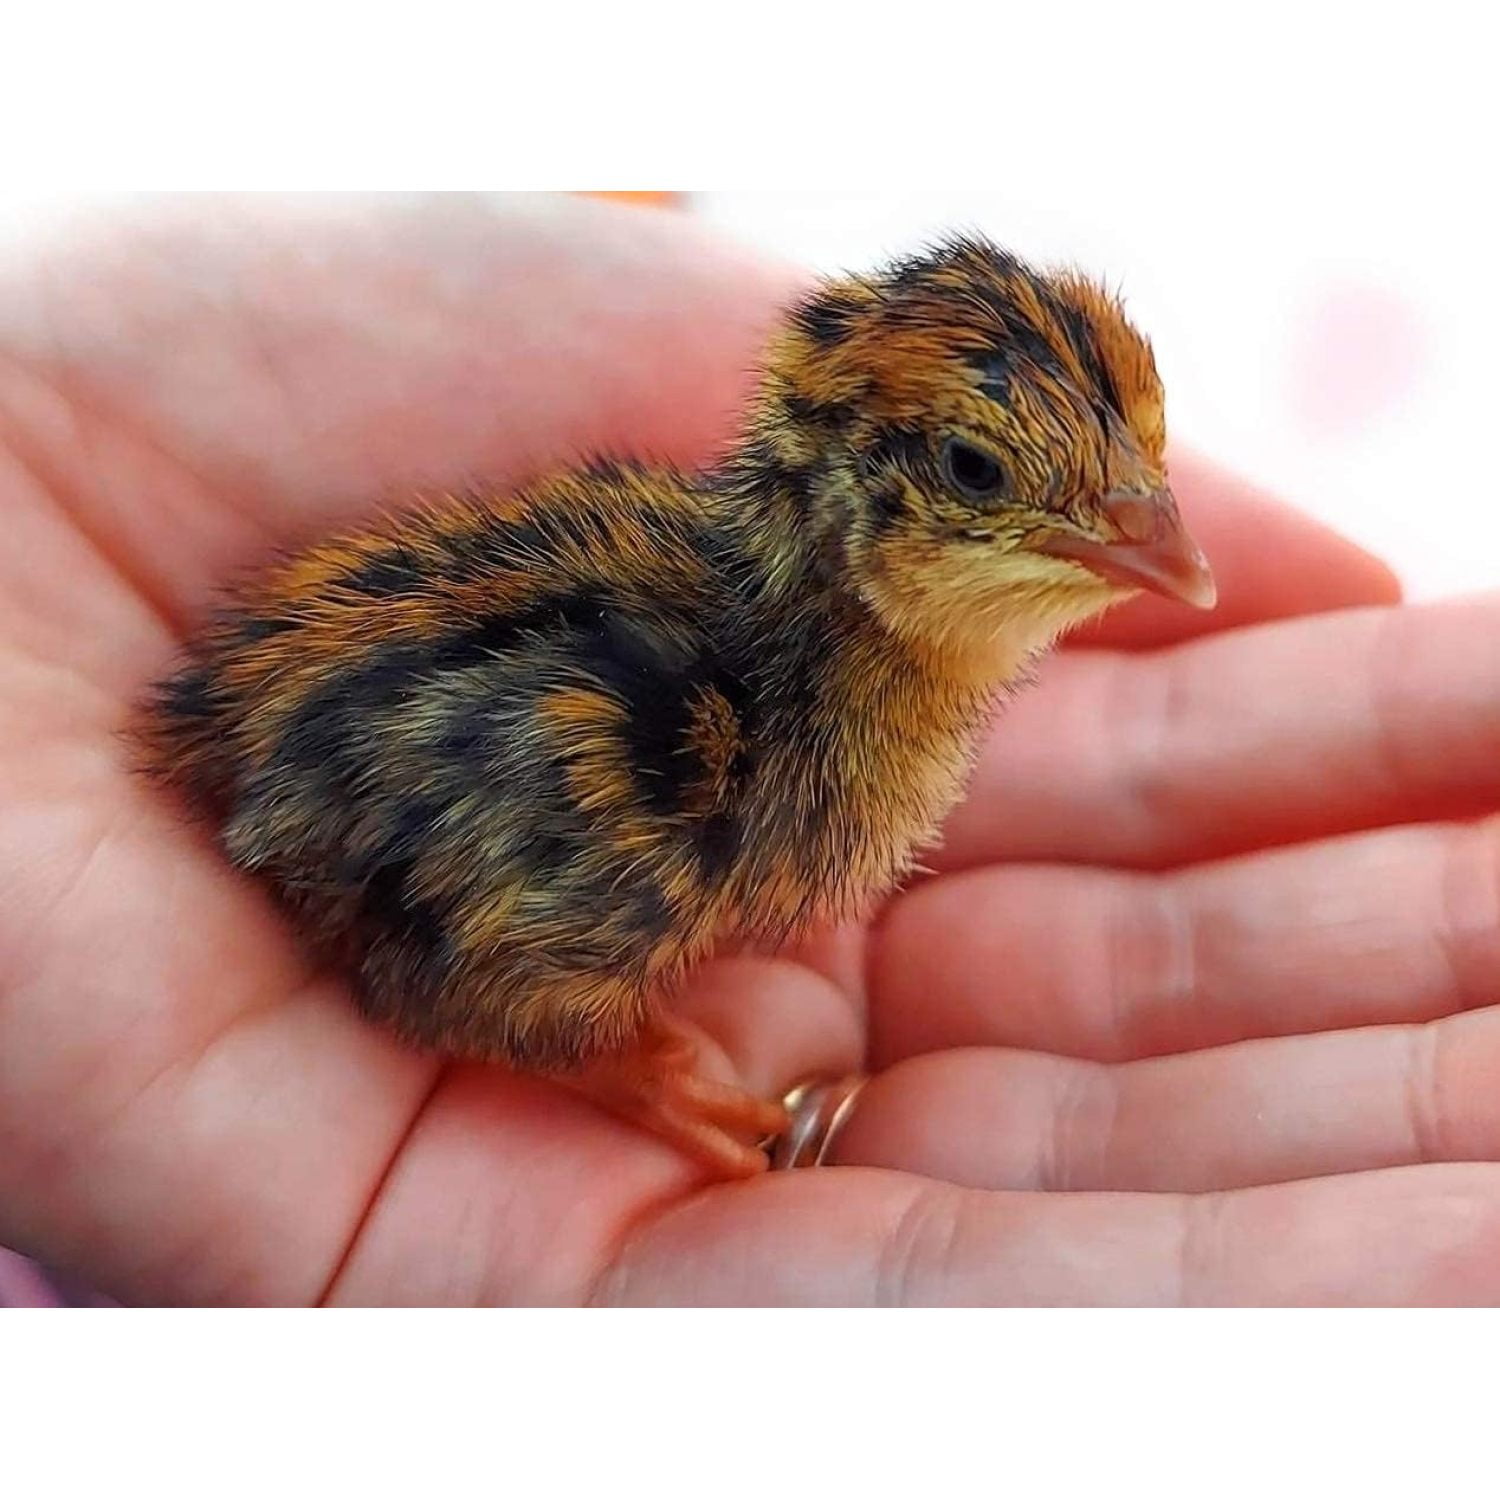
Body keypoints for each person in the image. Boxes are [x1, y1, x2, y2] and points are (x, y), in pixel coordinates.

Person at [0, 193, 1494, 1306]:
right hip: (366, 814)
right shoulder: (695, 762)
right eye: (981, 474)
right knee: (563, 846)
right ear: (841, 495)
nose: (1153, 531)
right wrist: (603, 1051)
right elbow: (468, 930)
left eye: (1138, 472)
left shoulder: (762, 676)